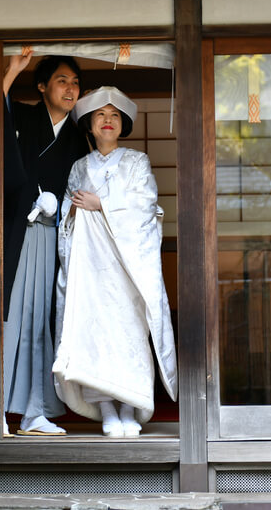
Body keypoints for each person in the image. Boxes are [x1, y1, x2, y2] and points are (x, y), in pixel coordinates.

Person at [52, 86, 178, 437]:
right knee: (95, 334)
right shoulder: (79, 167)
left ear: (122, 125)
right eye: (99, 116)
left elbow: (145, 205)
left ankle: (128, 404)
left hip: (127, 266)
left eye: (113, 116)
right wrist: (78, 209)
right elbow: (68, 212)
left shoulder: (138, 162)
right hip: (92, 268)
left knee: (129, 331)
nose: (107, 121)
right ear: (90, 126)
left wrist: (101, 205)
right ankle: (106, 406)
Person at [0, 52, 89, 436]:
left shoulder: (77, 137)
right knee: (7, 320)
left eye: (75, 83)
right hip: (15, 231)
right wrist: (10, 74)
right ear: (42, 87)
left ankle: (34, 411)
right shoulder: (20, 115)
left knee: (41, 323)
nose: (70, 89)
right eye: (62, 81)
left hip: (53, 236)